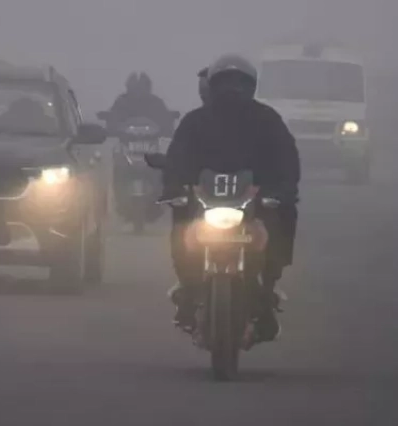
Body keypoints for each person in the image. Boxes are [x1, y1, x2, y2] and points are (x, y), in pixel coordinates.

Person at [162, 54, 300, 341]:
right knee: (180, 220)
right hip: (205, 202)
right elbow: (176, 159)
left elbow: (287, 160)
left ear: (251, 87)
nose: (232, 90)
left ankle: (268, 284)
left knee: (285, 213)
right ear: (213, 86)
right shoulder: (195, 122)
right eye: (225, 83)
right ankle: (188, 287)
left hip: (254, 204)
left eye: (239, 83)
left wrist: (281, 191)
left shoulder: (268, 120)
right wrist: (176, 189)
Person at [106, 72, 176, 136]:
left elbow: (166, 122)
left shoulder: (156, 102)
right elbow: (113, 121)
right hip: (123, 140)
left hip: (154, 139)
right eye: (135, 88)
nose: (138, 91)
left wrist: (168, 120)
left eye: (141, 88)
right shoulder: (121, 101)